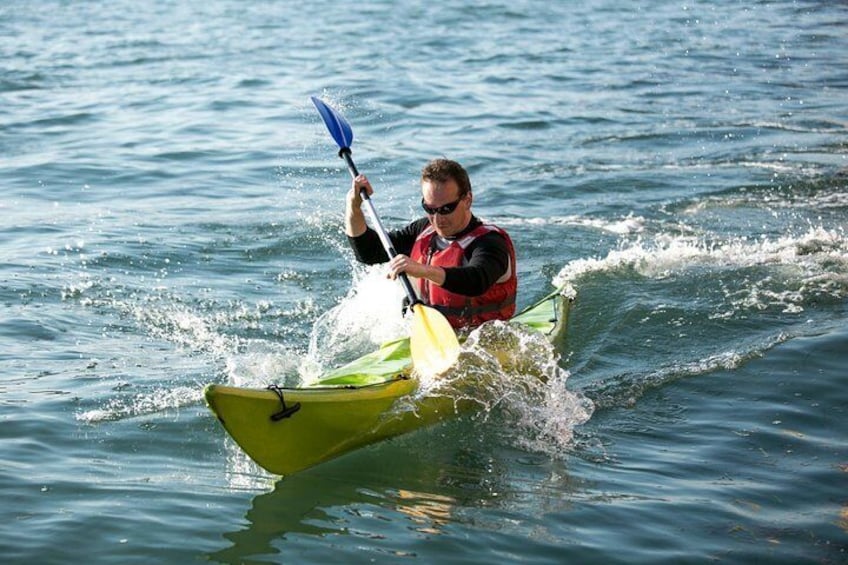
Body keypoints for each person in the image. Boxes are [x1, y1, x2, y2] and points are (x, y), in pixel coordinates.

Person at [345, 158, 517, 329]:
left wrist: (422, 270)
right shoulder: (423, 230)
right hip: (429, 336)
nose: (438, 218)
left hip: (482, 338)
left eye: (446, 209)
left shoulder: (490, 242)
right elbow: (368, 253)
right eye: (430, 209)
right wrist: (353, 206)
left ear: (467, 200)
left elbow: (476, 280)